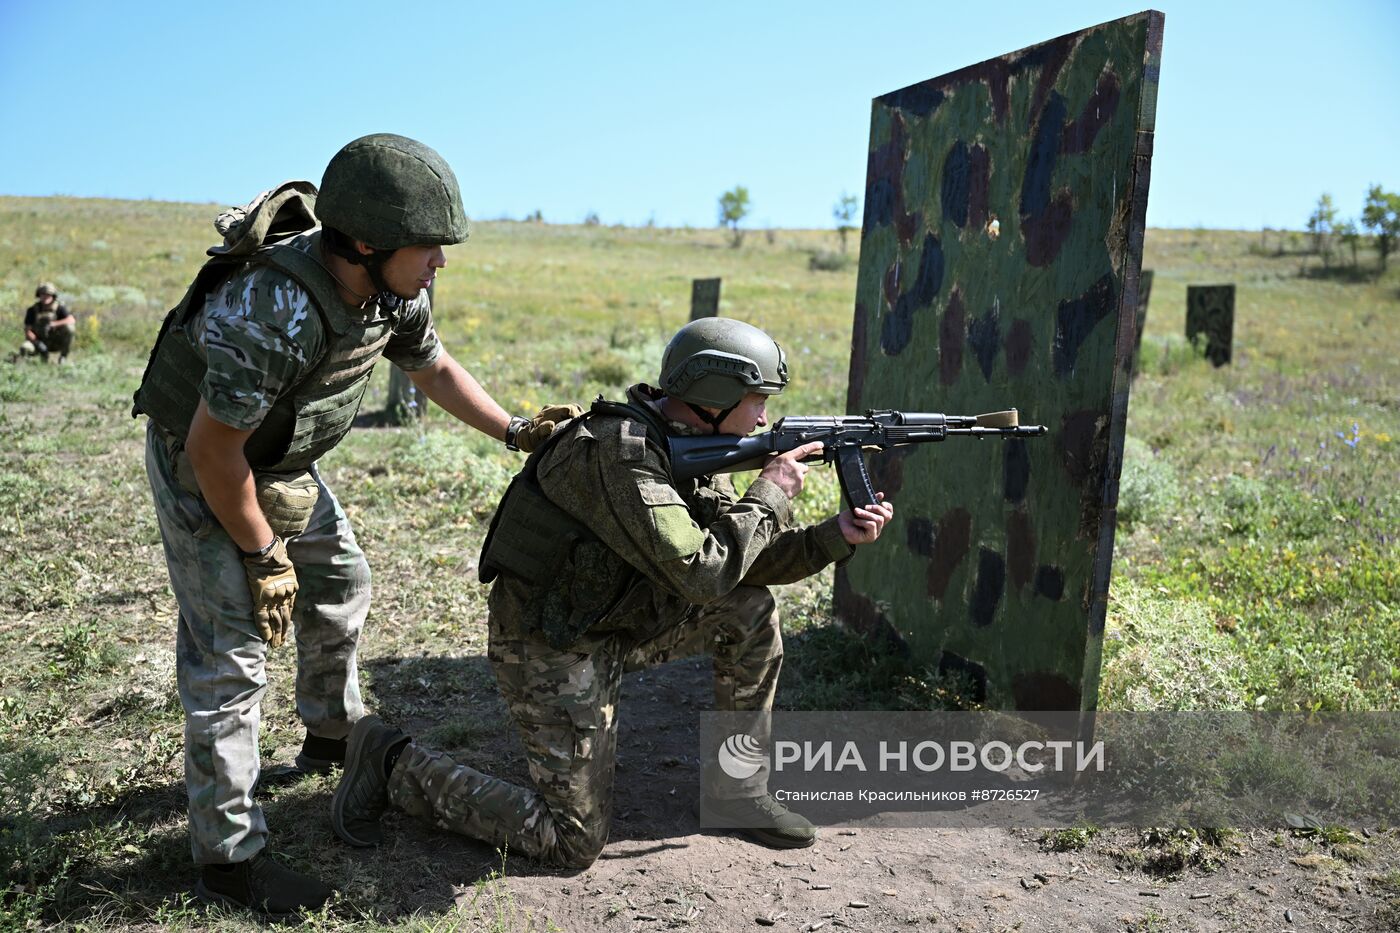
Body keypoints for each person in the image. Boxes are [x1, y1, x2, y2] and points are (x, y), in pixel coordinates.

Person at [133, 134, 573, 916]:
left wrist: (513, 430)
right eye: (429, 248)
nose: (440, 262)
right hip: (205, 460)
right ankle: (228, 859)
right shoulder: (273, 310)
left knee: (341, 578)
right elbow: (212, 449)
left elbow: (430, 366)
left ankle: (332, 731)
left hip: (277, 456)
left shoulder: (392, 290)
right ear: (365, 244)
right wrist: (264, 554)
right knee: (229, 653)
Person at [331, 317, 894, 869]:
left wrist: (833, 537)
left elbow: (737, 564)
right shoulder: (620, 453)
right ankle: (391, 763)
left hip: (619, 619)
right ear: (715, 396)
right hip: (553, 643)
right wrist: (769, 494)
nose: (765, 416)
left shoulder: (691, 443)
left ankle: (738, 790)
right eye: (757, 400)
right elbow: (703, 572)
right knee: (569, 842)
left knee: (747, 608)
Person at [18, 282, 75, 362]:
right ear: (39, 295)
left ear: (53, 296)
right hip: (38, 342)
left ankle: (63, 357)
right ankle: (28, 364)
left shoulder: (59, 308)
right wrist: (38, 344)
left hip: (56, 342)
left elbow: (71, 319)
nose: (45, 297)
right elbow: (28, 330)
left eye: (48, 295)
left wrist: (54, 324)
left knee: (70, 328)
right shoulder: (32, 310)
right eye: (43, 294)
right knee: (25, 347)